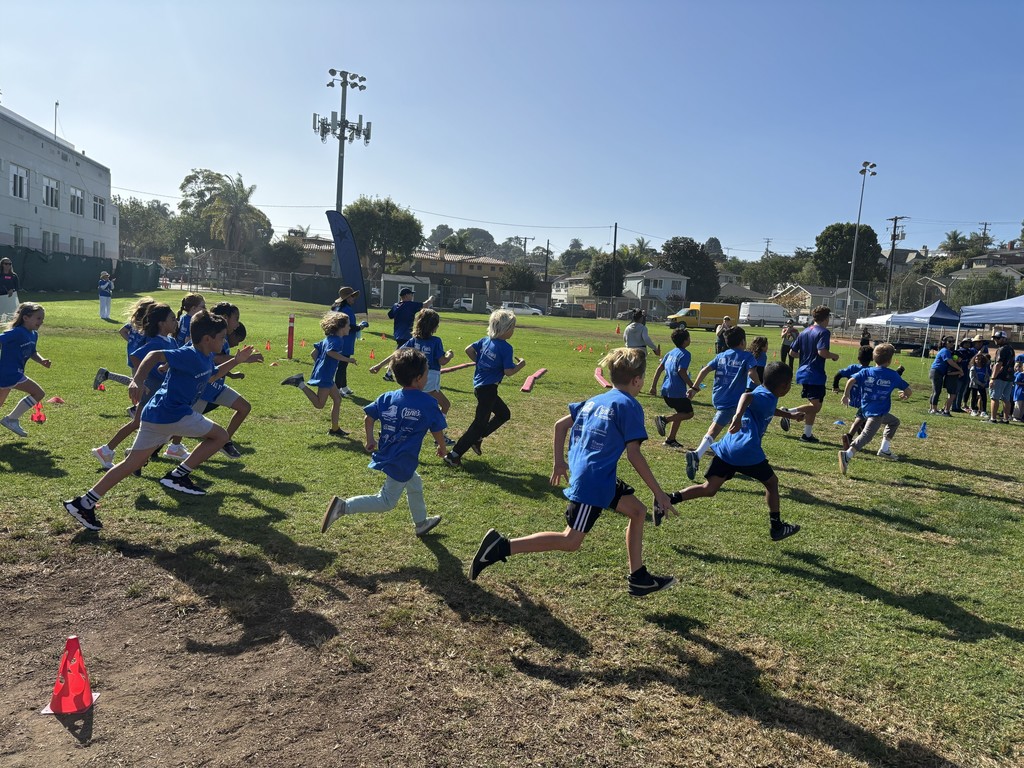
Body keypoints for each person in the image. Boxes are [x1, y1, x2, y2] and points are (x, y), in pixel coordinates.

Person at [469, 347, 679, 597]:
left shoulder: (595, 400)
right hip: (594, 482)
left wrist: (559, 462)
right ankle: (500, 547)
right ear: (637, 380)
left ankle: (639, 578)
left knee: (637, 511)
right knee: (570, 541)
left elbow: (560, 426)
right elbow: (634, 454)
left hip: (600, 476)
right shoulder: (630, 406)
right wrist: (660, 494)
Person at [63, 311, 258, 530]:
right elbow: (154, 355)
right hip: (173, 414)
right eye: (222, 337)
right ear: (207, 339)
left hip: (156, 415)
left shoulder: (205, 357)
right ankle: (178, 476)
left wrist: (237, 360)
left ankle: (84, 503)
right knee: (221, 436)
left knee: (131, 464)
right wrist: (136, 380)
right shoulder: (188, 354)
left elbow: (212, 375)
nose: (224, 342)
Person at [662, 361, 803, 542]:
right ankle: (777, 527)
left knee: (709, 488)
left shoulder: (765, 393)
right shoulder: (763, 396)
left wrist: (789, 415)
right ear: (784, 386)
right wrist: (737, 416)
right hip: (746, 450)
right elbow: (746, 396)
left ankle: (667, 499)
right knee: (772, 483)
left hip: (727, 448)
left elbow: (763, 406)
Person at [321, 347, 448, 538]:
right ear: (419, 378)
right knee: (386, 501)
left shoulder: (388, 397)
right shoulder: (428, 402)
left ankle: (421, 523)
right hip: (402, 459)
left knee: (414, 483)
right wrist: (442, 446)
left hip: (390, 452)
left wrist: (370, 439)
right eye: (427, 371)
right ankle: (343, 507)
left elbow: (368, 417)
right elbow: (436, 429)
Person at [91, 303, 184, 469]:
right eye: (172, 318)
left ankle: (124, 452)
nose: (176, 321)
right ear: (162, 324)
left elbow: (175, 360)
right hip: (152, 389)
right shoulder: (155, 342)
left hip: (163, 390)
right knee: (139, 423)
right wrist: (141, 381)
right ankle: (108, 450)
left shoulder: (171, 341)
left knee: (158, 424)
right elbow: (135, 357)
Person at [443, 309, 525, 467]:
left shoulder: (485, 340)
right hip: (488, 390)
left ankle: (478, 439)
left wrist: (480, 362)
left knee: (503, 414)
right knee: (479, 424)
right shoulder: (506, 348)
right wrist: (521, 365)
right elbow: (509, 372)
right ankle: (454, 455)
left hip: (480, 387)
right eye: (512, 328)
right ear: (505, 328)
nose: (513, 331)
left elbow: (468, 349)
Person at [684, 325, 760, 481]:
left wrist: (694, 388)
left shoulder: (722, 355)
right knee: (716, 429)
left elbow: (704, 370)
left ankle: (735, 458)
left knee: (737, 427)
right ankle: (697, 454)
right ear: (743, 341)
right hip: (732, 400)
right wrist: (761, 386)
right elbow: (752, 373)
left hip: (719, 397)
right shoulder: (747, 356)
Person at [192, 302, 263, 459]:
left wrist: (231, 374)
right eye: (236, 319)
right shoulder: (214, 337)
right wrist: (244, 359)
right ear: (224, 318)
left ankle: (223, 441)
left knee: (244, 407)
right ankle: (144, 453)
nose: (237, 324)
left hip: (217, 387)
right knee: (174, 429)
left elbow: (219, 363)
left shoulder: (222, 338)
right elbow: (216, 358)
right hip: (204, 389)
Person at [369, 308, 454, 427]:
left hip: (415, 378)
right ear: (434, 326)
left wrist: (379, 365)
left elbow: (396, 354)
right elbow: (442, 361)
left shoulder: (413, 341)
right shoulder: (435, 341)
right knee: (443, 405)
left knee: (414, 407)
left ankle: (396, 425)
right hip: (430, 379)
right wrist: (449, 355)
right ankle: (438, 432)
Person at [838, 343, 911, 474]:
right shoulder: (893, 375)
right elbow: (908, 390)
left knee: (894, 422)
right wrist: (905, 394)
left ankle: (884, 449)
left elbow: (851, 380)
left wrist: (846, 394)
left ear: (874, 358)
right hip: (876, 412)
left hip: (866, 409)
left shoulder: (866, 371)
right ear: (889, 361)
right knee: (867, 435)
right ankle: (847, 455)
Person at [280, 311, 357, 436]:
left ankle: (335, 429)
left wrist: (322, 365)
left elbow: (313, 353)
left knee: (337, 399)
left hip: (326, 374)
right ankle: (299, 383)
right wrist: (348, 359)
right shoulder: (338, 341)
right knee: (319, 404)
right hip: (326, 376)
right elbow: (330, 353)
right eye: (348, 325)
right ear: (341, 327)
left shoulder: (328, 339)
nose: (350, 327)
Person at [787, 304, 839, 443]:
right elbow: (822, 352)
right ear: (826, 318)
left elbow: (792, 352)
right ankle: (787, 412)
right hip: (814, 373)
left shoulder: (804, 332)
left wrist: (806, 356)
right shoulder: (823, 332)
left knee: (813, 406)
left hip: (803, 372)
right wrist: (834, 356)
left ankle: (807, 435)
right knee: (816, 407)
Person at [0, 302, 51, 438]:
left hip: (12, 373)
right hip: (9, 373)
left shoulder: (33, 335)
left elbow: (33, 352)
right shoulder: (16, 333)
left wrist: (41, 360)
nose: (41, 321)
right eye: (38, 318)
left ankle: (11, 419)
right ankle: (11, 419)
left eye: (42, 319)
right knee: (38, 393)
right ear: (26, 318)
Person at [93, 297, 156, 391]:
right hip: (140, 356)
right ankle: (139, 403)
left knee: (137, 380)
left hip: (132, 353)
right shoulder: (147, 325)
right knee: (138, 382)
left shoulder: (134, 322)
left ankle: (107, 375)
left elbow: (122, 331)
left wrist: (131, 341)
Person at [647, 327, 694, 448]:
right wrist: (692, 385)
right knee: (689, 414)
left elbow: (659, 369)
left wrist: (653, 386)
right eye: (689, 338)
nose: (690, 339)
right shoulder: (685, 354)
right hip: (676, 391)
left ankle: (670, 440)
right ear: (685, 341)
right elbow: (681, 371)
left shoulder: (670, 352)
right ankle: (664, 420)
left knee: (680, 413)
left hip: (666, 390)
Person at [384, 287, 433, 381]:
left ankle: (391, 373)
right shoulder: (410, 305)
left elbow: (390, 315)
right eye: (411, 294)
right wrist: (431, 298)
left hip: (398, 333)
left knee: (401, 353)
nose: (412, 296)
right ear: (406, 296)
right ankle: (390, 374)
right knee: (400, 355)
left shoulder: (396, 305)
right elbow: (426, 305)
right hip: (406, 334)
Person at [832, 345, 874, 451]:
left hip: (852, 399)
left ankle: (859, 438)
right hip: (864, 401)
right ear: (872, 359)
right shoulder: (872, 371)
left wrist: (835, 386)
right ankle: (849, 437)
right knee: (861, 418)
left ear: (858, 358)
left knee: (864, 421)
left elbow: (837, 375)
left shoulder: (853, 368)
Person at [330, 286, 361, 396]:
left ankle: (344, 386)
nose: (354, 299)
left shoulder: (337, 307)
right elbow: (349, 326)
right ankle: (337, 389)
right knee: (342, 365)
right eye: (352, 297)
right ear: (347, 298)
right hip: (345, 341)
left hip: (340, 339)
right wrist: (360, 327)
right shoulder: (346, 309)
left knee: (343, 364)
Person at [929, 336, 962, 416]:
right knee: (937, 391)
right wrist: (960, 369)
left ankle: (932, 408)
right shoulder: (945, 351)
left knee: (935, 391)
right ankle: (934, 409)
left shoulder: (947, 351)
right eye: (949, 341)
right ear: (944, 342)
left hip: (938, 372)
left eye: (953, 341)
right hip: (936, 371)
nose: (951, 343)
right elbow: (950, 362)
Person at [988, 330, 1015, 424]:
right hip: (1009, 377)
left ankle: (993, 418)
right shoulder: (1010, 348)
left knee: (994, 397)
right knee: (1006, 399)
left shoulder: (1002, 349)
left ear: (1004, 338)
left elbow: (999, 364)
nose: (995, 340)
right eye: (994, 338)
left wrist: (992, 378)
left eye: (998, 338)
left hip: (1000, 377)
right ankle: (1006, 419)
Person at [968, 352, 991, 417]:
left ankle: (983, 411)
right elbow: (972, 378)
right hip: (975, 384)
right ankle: (973, 410)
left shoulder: (985, 368)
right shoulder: (973, 368)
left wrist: (985, 382)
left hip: (983, 385)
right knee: (974, 397)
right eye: (976, 359)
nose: (978, 361)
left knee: (984, 397)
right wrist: (980, 383)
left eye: (979, 359)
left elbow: (987, 375)